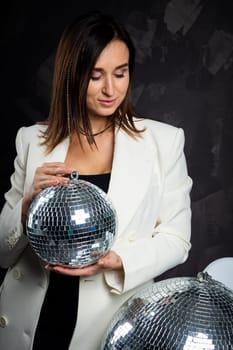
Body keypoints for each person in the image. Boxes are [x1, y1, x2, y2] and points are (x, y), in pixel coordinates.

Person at [0, 11, 192, 350]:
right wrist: (27, 204)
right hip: (31, 317)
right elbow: (2, 252)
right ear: (72, 76)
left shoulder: (164, 141)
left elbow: (177, 239)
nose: (111, 89)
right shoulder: (32, 140)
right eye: (96, 75)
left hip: (109, 318)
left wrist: (119, 260)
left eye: (121, 73)